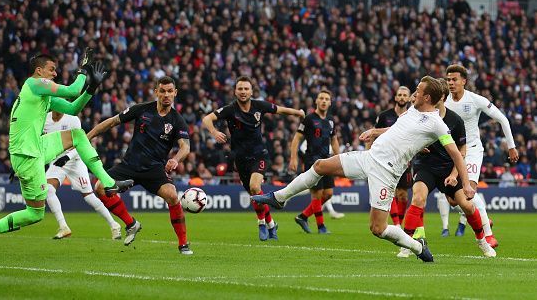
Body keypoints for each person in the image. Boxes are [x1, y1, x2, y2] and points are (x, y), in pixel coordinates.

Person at [253, 76, 474, 263]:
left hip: (386, 173)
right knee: (320, 165)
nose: (413, 94)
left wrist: (465, 184)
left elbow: (456, 154)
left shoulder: (437, 124)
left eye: (417, 91)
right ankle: (280, 198)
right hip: (369, 158)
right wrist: (375, 132)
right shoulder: (411, 111)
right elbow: (398, 129)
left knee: (378, 228)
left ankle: (417, 247)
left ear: (427, 98)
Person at [0, 51, 133, 256]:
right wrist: (83, 71)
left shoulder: (42, 95)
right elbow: (72, 90)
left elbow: (72, 108)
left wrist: (92, 88)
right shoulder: (34, 84)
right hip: (26, 155)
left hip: (36, 147)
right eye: (52, 69)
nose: (55, 73)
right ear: (39, 70)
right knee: (35, 214)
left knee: (77, 135)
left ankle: (108, 182)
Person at [89, 76, 193, 255]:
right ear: (156, 92)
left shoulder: (177, 120)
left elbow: (186, 147)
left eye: (170, 91)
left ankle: (183, 244)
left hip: (154, 169)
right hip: (129, 165)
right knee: (99, 187)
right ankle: (131, 223)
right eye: (163, 91)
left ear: (175, 93)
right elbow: (113, 121)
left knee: (173, 196)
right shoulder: (142, 109)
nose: (166, 95)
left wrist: (176, 159)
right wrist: (88, 136)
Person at [399, 79, 496, 258]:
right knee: (418, 199)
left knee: (466, 205)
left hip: (447, 169)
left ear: (441, 97)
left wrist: (454, 175)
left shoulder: (455, 121)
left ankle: (482, 241)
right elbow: (406, 137)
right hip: (425, 166)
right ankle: (407, 243)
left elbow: (461, 151)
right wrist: (417, 148)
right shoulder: (419, 116)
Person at [202, 76, 305, 241]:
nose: (243, 92)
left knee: (255, 187)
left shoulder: (259, 105)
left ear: (251, 91)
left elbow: (279, 109)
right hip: (240, 158)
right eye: (240, 89)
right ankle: (271, 224)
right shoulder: (230, 109)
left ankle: (261, 224)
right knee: (256, 194)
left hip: (259, 154)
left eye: (246, 89)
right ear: (235, 91)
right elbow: (207, 119)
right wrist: (214, 132)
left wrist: (298, 113)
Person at [445, 64, 518, 248]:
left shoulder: (475, 100)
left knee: (468, 191)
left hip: (472, 150)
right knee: (453, 199)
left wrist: (511, 146)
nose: (451, 83)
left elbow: (502, 118)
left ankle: (488, 234)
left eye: (454, 79)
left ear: (464, 81)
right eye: (448, 80)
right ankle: (482, 212)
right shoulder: (444, 101)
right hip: (452, 152)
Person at [43, 111, 121, 240]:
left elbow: (81, 142)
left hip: (75, 160)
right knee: (48, 190)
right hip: (57, 161)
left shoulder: (73, 120)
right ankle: (63, 227)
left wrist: (67, 156)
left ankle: (114, 225)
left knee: (89, 197)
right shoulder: (44, 120)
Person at [290, 90, 340, 234]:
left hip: (327, 160)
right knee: (317, 194)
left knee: (328, 193)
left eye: (327, 99)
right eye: (321, 98)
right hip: (312, 159)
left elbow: (334, 140)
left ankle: (303, 216)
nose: (324, 101)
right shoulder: (309, 119)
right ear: (316, 101)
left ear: (330, 102)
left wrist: (340, 158)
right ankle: (321, 227)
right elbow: (297, 138)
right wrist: (293, 158)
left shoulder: (330, 120)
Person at [373, 86, 412, 228]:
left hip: (405, 159)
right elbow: (375, 133)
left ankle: (399, 223)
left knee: (403, 195)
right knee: (390, 191)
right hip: (386, 158)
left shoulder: (412, 116)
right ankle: (396, 225)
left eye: (404, 95)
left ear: (409, 98)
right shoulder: (384, 116)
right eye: (399, 95)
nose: (402, 97)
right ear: (395, 98)